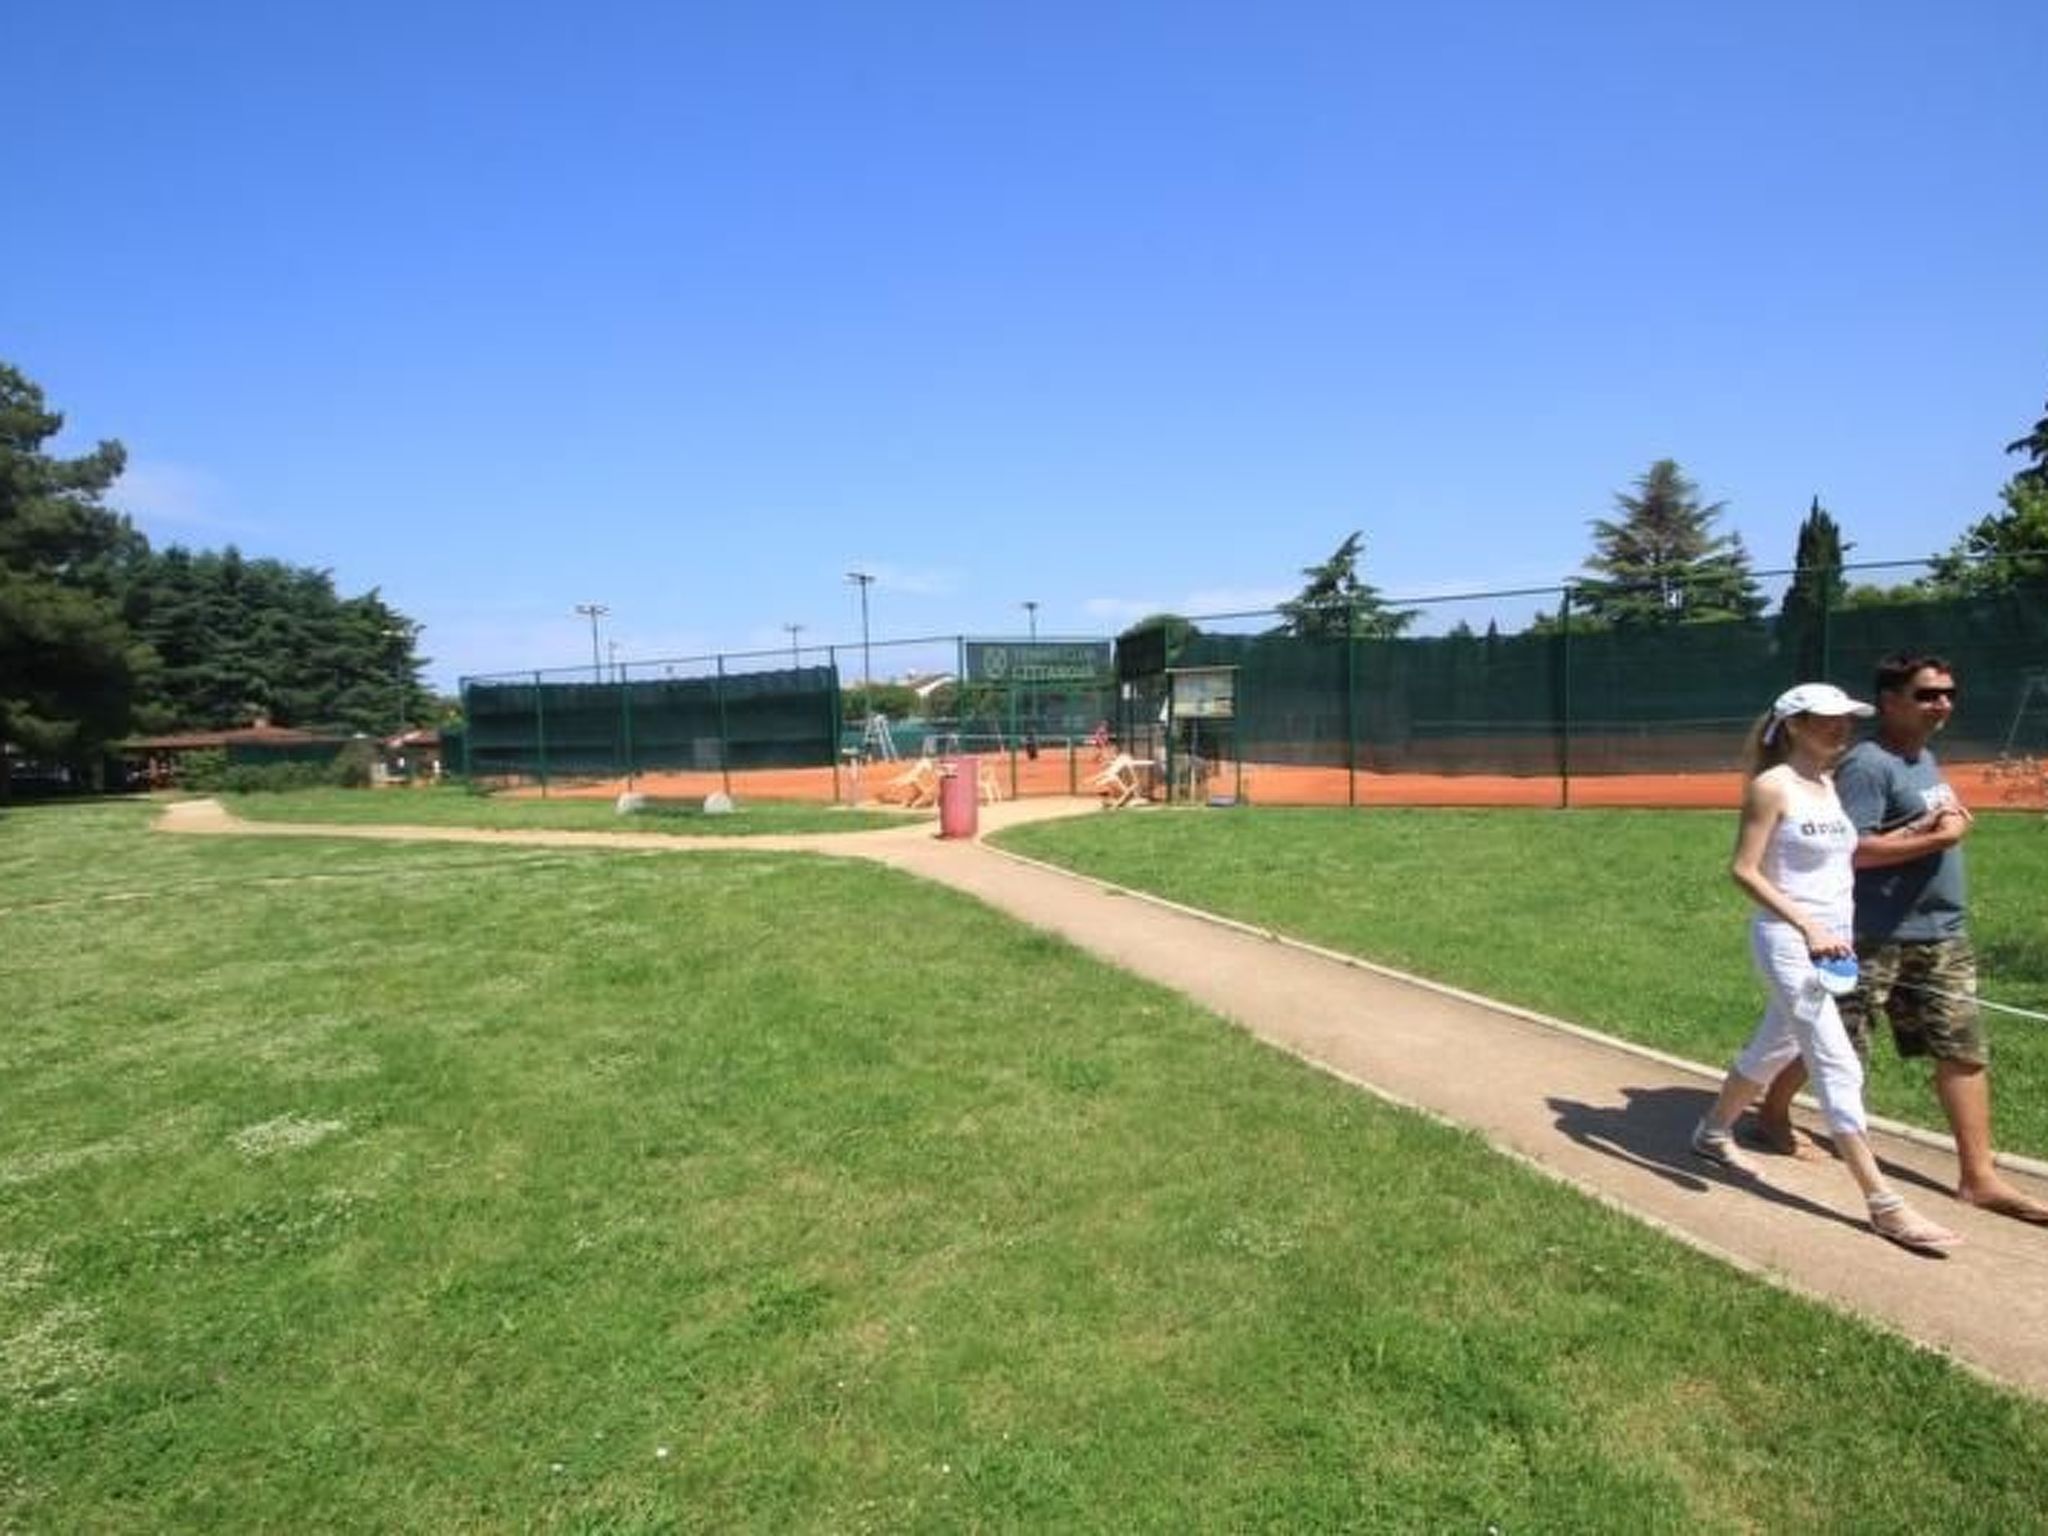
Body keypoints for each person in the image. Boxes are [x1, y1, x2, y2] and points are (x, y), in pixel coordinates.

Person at [1755, 654, 2048, 1224]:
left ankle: (1978, 1177)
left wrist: (1939, 829)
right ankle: (1771, 1111)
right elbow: (1853, 850)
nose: (1942, 703)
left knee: (1961, 1049)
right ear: (1890, 701)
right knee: (1839, 1047)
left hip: (1941, 933)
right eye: (1927, 694)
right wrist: (1941, 839)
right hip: (1871, 934)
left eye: (1949, 693)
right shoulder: (1867, 766)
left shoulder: (1924, 759)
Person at [1691, 682, 1960, 1253]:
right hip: (1788, 942)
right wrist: (1808, 927)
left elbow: (1843, 855)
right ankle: (1883, 1203)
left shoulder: (1828, 784)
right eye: (1825, 719)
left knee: (1775, 1046)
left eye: (1844, 719)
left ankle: (1712, 1131)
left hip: (1831, 944)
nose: (1840, 727)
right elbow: (1744, 871)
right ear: (1793, 725)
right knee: (1834, 1057)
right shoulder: (1772, 786)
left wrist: (1923, 828)